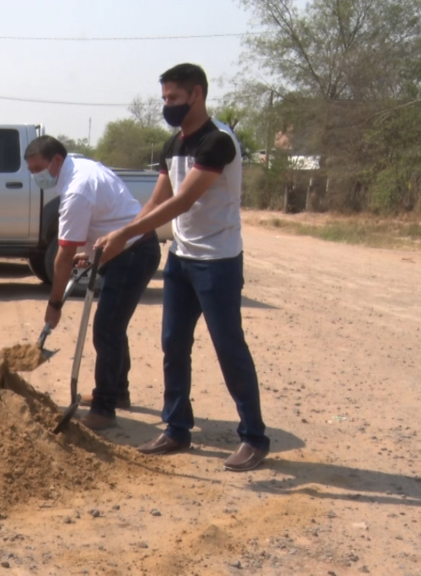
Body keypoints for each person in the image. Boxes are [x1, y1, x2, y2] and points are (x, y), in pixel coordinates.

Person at [93, 63, 270, 471]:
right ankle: (176, 428)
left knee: (229, 347)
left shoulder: (218, 141)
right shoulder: (173, 144)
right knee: (173, 344)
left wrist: (126, 235)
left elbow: (183, 202)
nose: (167, 105)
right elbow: (156, 202)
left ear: (197, 94)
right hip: (181, 259)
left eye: (173, 98)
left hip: (218, 261)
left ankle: (254, 436)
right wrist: (118, 236)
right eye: (164, 99)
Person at [25, 136, 161, 431]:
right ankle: (117, 391)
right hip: (123, 250)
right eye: (30, 170)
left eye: (38, 169)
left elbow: (63, 257)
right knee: (114, 325)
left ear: (56, 161)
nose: (35, 176)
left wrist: (55, 304)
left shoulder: (77, 190)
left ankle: (105, 408)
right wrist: (92, 253)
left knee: (107, 328)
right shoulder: (80, 168)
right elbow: (107, 218)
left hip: (133, 254)